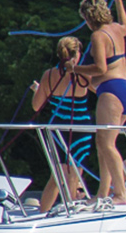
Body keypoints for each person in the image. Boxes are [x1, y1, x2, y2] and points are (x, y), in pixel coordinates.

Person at [72, 0, 126, 208]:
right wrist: (120, 1)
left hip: (112, 90)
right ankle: (102, 193)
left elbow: (99, 68)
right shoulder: (116, 29)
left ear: (89, 19)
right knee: (106, 144)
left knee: (105, 143)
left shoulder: (98, 35)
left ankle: (120, 194)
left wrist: (75, 69)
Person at [29, 35, 92, 210]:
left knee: (56, 175)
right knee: (74, 174)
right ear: (77, 53)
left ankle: (43, 213)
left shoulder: (49, 75)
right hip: (80, 129)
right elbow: (102, 90)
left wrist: (37, 90)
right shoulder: (84, 74)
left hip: (57, 129)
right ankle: (70, 211)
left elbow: (36, 106)